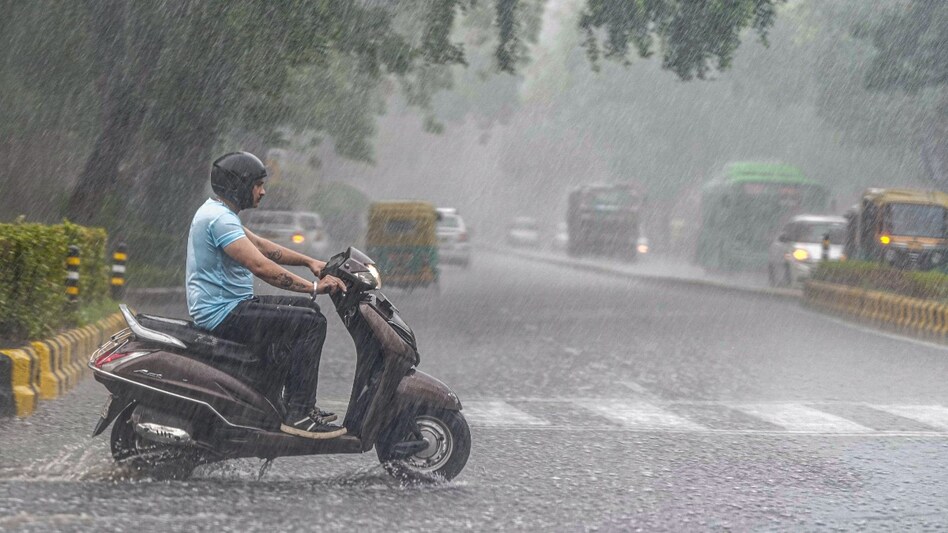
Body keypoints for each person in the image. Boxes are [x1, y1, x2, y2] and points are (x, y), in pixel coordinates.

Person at [186, 151, 348, 439]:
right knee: (310, 323)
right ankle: (299, 413)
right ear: (240, 185)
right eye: (258, 184)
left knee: (308, 312)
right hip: (224, 314)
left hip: (231, 307)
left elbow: (262, 246)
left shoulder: (220, 213)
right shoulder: (219, 220)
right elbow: (260, 266)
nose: (263, 191)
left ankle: (286, 405)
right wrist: (313, 287)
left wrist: (310, 262)